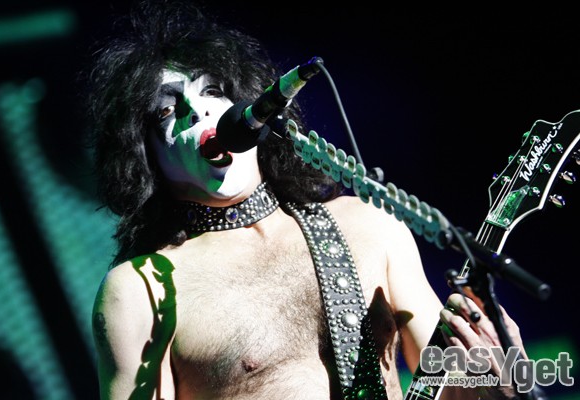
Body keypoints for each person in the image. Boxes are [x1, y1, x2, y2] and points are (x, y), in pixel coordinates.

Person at [85, 0, 530, 399]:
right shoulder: (139, 290)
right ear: (144, 154)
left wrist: (501, 383)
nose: (196, 111)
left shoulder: (370, 224)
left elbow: (452, 389)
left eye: (212, 91)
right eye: (167, 110)